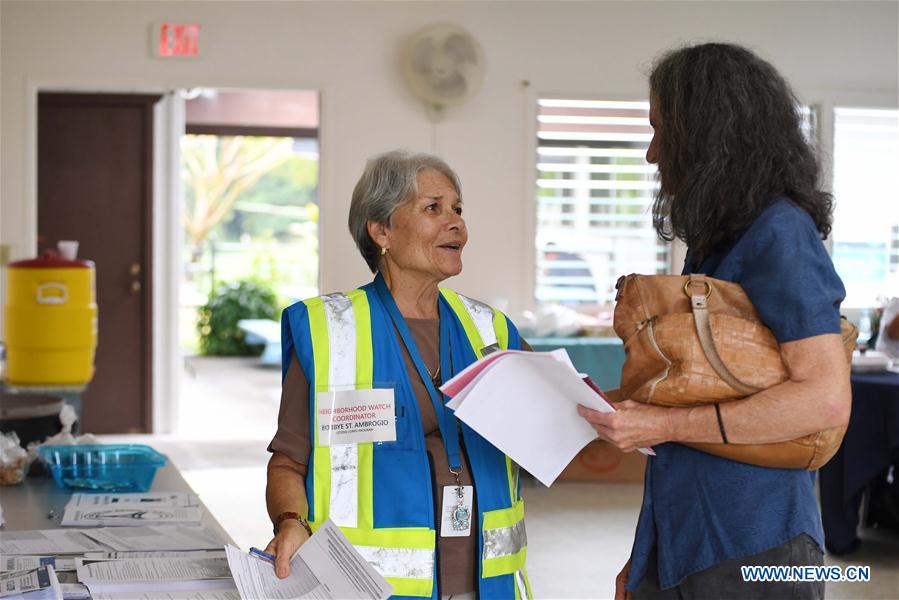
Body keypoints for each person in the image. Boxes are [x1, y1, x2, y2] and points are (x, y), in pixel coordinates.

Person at [578, 43, 851, 599]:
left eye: (662, 131)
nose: (653, 154)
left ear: (708, 133)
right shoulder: (718, 242)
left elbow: (823, 400)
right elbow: (697, 399)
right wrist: (647, 553)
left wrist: (663, 425)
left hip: (762, 546)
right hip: (687, 542)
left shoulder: (781, 233)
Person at [264, 150, 531, 600]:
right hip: (369, 588)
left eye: (458, 209)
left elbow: (546, 433)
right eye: (433, 208)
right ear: (381, 230)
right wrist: (291, 523)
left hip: (489, 584)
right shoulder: (329, 330)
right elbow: (288, 462)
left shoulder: (492, 330)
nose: (456, 224)